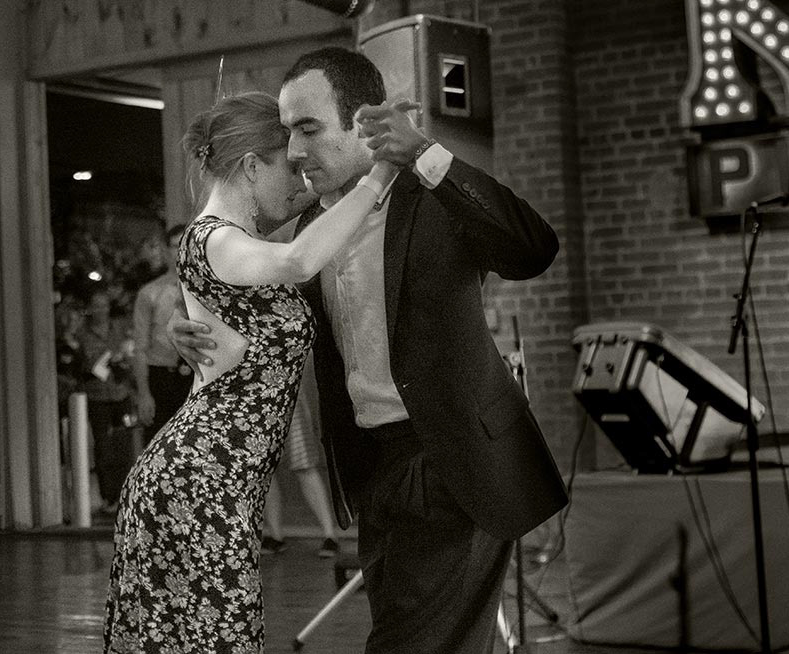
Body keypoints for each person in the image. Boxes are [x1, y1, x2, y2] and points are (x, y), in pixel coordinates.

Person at [170, 47, 569, 654]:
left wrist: (426, 156)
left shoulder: (433, 195)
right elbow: (248, 288)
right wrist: (193, 326)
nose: (296, 152)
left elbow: (534, 249)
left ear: (363, 123)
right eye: (286, 134)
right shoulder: (307, 230)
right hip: (373, 471)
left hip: (451, 459)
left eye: (308, 129)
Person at [102, 91, 398, 654]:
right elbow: (299, 261)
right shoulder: (213, 238)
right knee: (218, 640)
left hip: (217, 478)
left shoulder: (239, 243)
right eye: (290, 165)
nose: (302, 180)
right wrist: (382, 171)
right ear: (253, 164)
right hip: (201, 479)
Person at [260, 354, 340, 558]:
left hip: (285, 382)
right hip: (253, 388)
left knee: (302, 460)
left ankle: (330, 534)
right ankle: (276, 535)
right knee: (264, 468)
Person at [131, 224, 193, 444]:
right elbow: (139, 347)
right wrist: (143, 392)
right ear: (166, 250)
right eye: (176, 247)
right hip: (162, 375)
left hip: (196, 373)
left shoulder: (206, 290)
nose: (181, 252)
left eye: (185, 246)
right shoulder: (150, 293)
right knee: (160, 444)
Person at [78, 290, 135, 515]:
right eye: (97, 305)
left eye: (104, 305)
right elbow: (85, 365)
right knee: (103, 448)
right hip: (97, 396)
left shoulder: (119, 330)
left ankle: (127, 493)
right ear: (91, 308)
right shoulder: (83, 334)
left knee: (126, 443)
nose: (101, 310)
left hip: (121, 394)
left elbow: (128, 354)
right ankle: (108, 497)